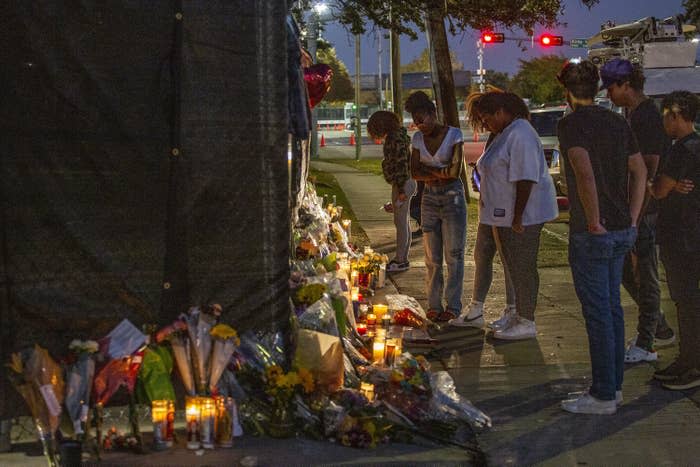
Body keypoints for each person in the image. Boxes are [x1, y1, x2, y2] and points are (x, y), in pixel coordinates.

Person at [557, 60, 647, 415]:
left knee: (598, 313)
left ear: (566, 88)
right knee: (612, 309)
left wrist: (593, 219)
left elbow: (584, 173)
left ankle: (603, 395)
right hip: (623, 227)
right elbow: (639, 171)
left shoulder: (571, 124)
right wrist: (634, 217)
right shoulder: (616, 121)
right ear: (596, 87)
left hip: (593, 232)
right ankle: (614, 387)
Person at [451, 91, 557, 339]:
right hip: (502, 214)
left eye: (487, 119)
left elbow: (525, 178)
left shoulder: (520, 134)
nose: (485, 124)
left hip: (522, 215)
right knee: (512, 263)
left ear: (500, 112)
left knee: (522, 266)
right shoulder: (506, 133)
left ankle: (526, 319)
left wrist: (518, 216)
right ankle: (516, 314)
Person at [600, 58, 676, 363]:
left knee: (644, 273)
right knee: (629, 272)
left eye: (611, 88)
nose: (608, 95)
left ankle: (647, 342)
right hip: (634, 207)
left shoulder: (646, 117)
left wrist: (637, 214)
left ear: (626, 85)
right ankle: (658, 328)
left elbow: (649, 168)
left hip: (646, 208)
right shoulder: (632, 113)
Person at [648, 91, 700, 390]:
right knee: (689, 300)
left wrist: (662, 184)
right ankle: (688, 359)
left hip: (681, 236)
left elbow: (659, 189)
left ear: (676, 115)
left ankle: (691, 362)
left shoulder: (681, 150)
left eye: (666, 115)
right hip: (691, 233)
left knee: (685, 301)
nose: (664, 121)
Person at [405, 91, 467, 322]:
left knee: (454, 255)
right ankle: (433, 305)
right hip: (429, 199)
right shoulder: (417, 139)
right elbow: (413, 172)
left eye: (423, 118)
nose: (419, 125)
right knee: (431, 258)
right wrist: (438, 172)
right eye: (415, 121)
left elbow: (454, 172)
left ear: (433, 113)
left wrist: (428, 172)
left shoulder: (454, 135)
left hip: (453, 198)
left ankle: (453, 306)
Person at [367, 110, 417, 272]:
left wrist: (401, 192)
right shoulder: (399, 136)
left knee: (401, 222)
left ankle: (401, 259)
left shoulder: (394, 139)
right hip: (404, 182)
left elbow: (401, 163)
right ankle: (402, 258)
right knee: (402, 221)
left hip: (402, 183)